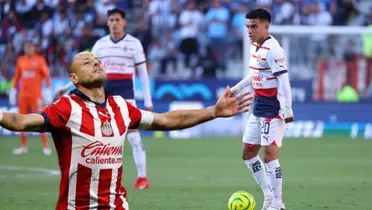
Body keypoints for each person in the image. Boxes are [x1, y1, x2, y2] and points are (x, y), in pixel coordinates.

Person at [0, 52, 253, 209]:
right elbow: (20, 121)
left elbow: (167, 120)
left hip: (117, 206)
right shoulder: (66, 107)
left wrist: (213, 112)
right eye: (87, 62)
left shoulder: (120, 106)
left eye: (97, 60)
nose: (96, 63)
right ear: (73, 78)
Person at [56, 8, 154, 189]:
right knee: (100, 137)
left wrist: (148, 101)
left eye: (117, 20)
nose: (114, 23)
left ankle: (142, 177)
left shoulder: (134, 44)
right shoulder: (100, 45)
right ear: (107, 22)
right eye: (111, 20)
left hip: (125, 95)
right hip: (102, 95)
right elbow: (85, 71)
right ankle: (96, 178)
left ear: (124, 22)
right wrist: (65, 87)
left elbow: (143, 74)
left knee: (133, 136)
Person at [230, 9, 294, 210]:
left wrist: (287, 107)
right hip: (258, 107)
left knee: (269, 156)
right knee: (248, 153)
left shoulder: (274, 50)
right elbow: (255, 74)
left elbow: (284, 80)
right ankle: (268, 195)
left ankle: (277, 203)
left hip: (273, 109)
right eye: (248, 26)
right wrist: (236, 89)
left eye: (254, 26)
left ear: (266, 26)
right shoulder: (254, 47)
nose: (249, 30)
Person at [10, 41, 53, 156]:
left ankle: (46, 146)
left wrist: (48, 89)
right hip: (23, 96)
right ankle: (23, 146)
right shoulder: (20, 61)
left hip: (35, 97)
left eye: (30, 47)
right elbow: (17, 77)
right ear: (24, 48)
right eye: (26, 47)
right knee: (22, 121)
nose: (28, 49)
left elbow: (47, 76)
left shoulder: (40, 60)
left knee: (39, 121)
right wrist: (13, 90)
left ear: (34, 48)